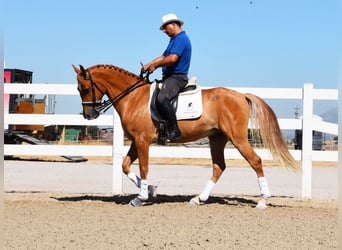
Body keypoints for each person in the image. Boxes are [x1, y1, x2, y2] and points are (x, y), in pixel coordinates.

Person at [143, 13, 192, 142]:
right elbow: (163, 56)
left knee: (162, 98)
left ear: (174, 25)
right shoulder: (174, 40)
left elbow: (172, 59)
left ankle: (175, 130)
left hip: (177, 78)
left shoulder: (181, 39)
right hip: (169, 77)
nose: (164, 31)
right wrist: (150, 64)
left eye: (165, 28)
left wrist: (156, 65)